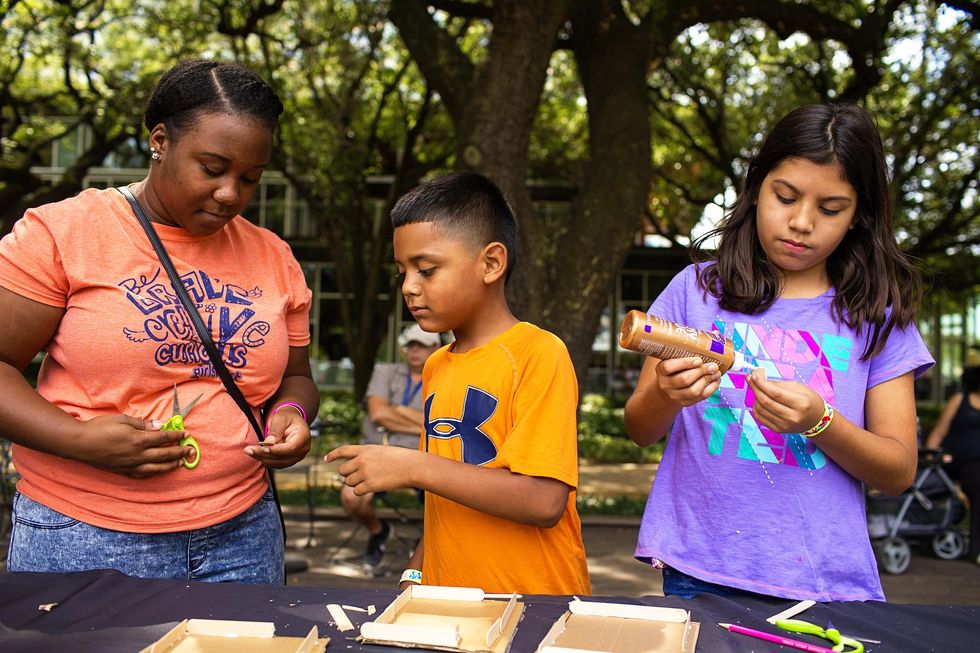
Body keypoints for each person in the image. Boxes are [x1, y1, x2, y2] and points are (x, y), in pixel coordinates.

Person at [0, 59, 319, 584]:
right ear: (160, 141)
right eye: (212, 168)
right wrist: (75, 439)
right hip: (83, 535)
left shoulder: (273, 256)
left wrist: (291, 413)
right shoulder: (62, 232)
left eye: (250, 179)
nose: (230, 194)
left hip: (242, 535)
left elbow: (297, 377)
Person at [624, 103, 934, 602]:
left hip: (823, 579)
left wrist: (821, 422)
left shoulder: (876, 313)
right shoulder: (696, 292)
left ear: (860, 216)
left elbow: (897, 471)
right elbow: (640, 429)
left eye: (831, 208)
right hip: (699, 565)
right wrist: (665, 394)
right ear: (755, 188)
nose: (801, 222)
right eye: (784, 196)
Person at [327, 172, 591, 595]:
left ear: (491, 263)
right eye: (402, 272)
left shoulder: (539, 353)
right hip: (447, 601)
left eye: (427, 270)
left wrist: (411, 466)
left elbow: (544, 501)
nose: (409, 288)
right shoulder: (435, 365)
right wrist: (414, 576)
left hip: (533, 603)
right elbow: (444, 498)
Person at [342, 323, 441, 568]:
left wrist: (400, 410)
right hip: (378, 451)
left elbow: (442, 426)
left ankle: (426, 547)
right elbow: (378, 414)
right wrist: (420, 423)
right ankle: (378, 531)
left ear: (436, 347)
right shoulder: (386, 371)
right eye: (411, 345)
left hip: (421, 456)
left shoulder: (443, 375)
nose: (414, 351)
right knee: (352, 497)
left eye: (422, 345)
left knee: (443, 501)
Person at [925, 356, 980, 566]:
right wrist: (930, 458)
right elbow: (939, 432)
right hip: (958, 462)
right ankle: (976, 549)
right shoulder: (961, 399)